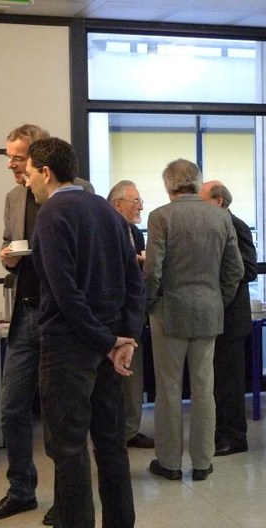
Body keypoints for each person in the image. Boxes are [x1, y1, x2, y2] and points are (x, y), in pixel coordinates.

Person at [26, 137, 144, 528]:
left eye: (28, 174)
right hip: (109, 348)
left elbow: (65, 294)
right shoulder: (107, 211)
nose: (28, 184)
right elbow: (134, 279)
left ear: (46, 172)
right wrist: (123, 337)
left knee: (69, 448)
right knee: (111, 445)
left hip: (69, 351)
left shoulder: (50, 214)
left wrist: (108, 341)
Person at [144, 159, 243, 482]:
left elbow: (153, 271)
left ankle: (170, 462)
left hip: (169, 313)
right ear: (195, 182)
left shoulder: (161, 217)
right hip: (208, 311)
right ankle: (203, 461)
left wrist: (149, 305)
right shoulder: (220, 216)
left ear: (168, 185)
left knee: (169, 389)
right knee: (204, 388)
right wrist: (218, 299)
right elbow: (235, 271)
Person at [0, 124, 53, 523]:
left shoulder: (75, 189)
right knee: (11, 408)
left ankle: (70, 493)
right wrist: (7, 256)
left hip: (61, 313)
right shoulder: (12, 197)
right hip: (25, 311)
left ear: (40, 156)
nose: (10, 164)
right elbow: (9, 240)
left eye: (18, 156)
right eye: (7, 156)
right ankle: (22, 489)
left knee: (62, 411)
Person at [199, 180, 257, 456]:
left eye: (203, 200)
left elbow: (249, 269)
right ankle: (220, 431)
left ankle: (234, 436)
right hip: (214, 315)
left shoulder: (238, 226)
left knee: (229, 382)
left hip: (231, 317)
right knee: (216, 381)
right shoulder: (212, 227)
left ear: (219, 201)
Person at [107, 180, 155, 449]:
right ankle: (111, 433)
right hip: (109, 316)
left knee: (133, 375)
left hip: (133, 313)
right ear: (118, 204)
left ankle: (129, 429)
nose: (141, 206)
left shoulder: (135, 233)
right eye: (135, 201)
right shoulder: (102, 228)